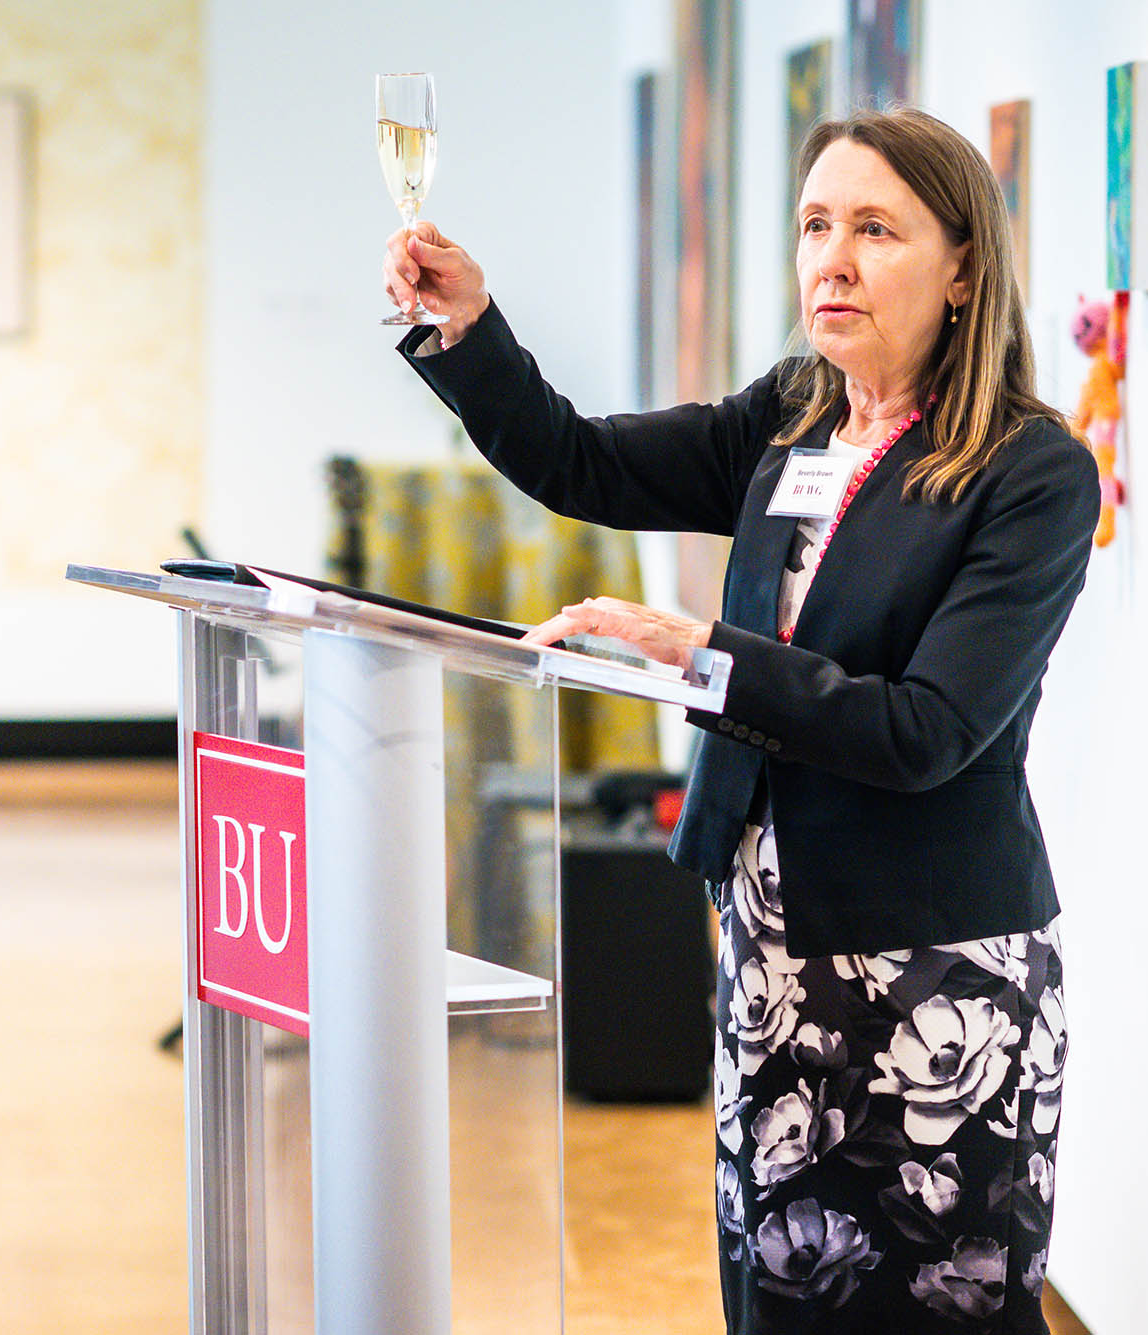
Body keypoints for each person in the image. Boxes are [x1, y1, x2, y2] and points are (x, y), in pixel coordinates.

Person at [386, 108, 1097, 1335]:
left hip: (934, 982)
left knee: (923, 1314)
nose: (831, 257)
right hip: (767, 950)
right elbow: (581, 463)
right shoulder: (793, 416)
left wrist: (705, 652)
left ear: (965, 266)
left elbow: (926, 730)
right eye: (816, 224)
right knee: (775, 1295)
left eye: (875, 229)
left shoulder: (1027, 472)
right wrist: (467, 327)